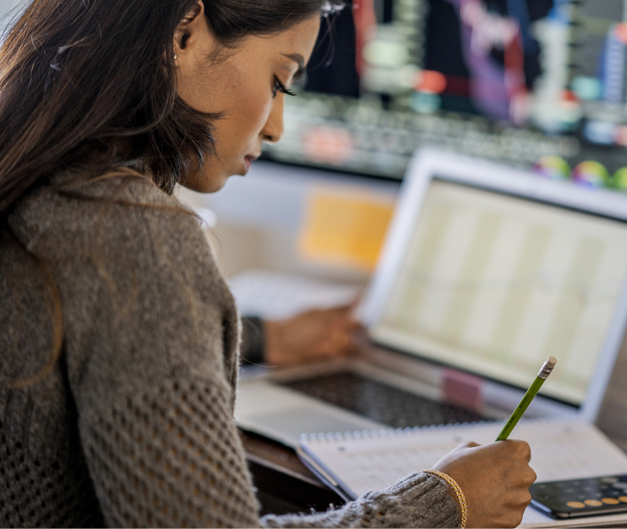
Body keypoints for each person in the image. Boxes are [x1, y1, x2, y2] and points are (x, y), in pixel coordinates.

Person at [0, 0, 536, 527]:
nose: (277, 126)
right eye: (280, 81)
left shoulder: (33, 178)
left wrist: (258, 339)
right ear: (185, 32)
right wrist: (447, 503)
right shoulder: (137, 238)